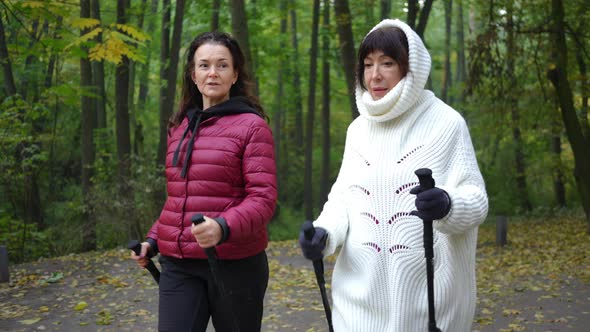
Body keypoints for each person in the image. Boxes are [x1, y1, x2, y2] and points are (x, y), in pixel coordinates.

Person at [299, 19, 488, 332]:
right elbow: (345, 199)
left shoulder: (445, 123)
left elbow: (476, 199)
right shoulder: (358, 130)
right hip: (358, 303)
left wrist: (447, 204)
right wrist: (324, 233)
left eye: (387, 63)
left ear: (408, 67)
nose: (375, 75)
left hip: (428, 304)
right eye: (368, 64)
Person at [131, 31, 277, 332]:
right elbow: (178, 197)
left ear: (235, 74)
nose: (213, 72)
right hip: (179, 265)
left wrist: (222, 227)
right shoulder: (180, 126)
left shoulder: (252, 126)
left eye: (222, 65)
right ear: (193, 73)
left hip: (236, 265)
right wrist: (154, 240)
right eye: (204, 65)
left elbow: (263, 200)